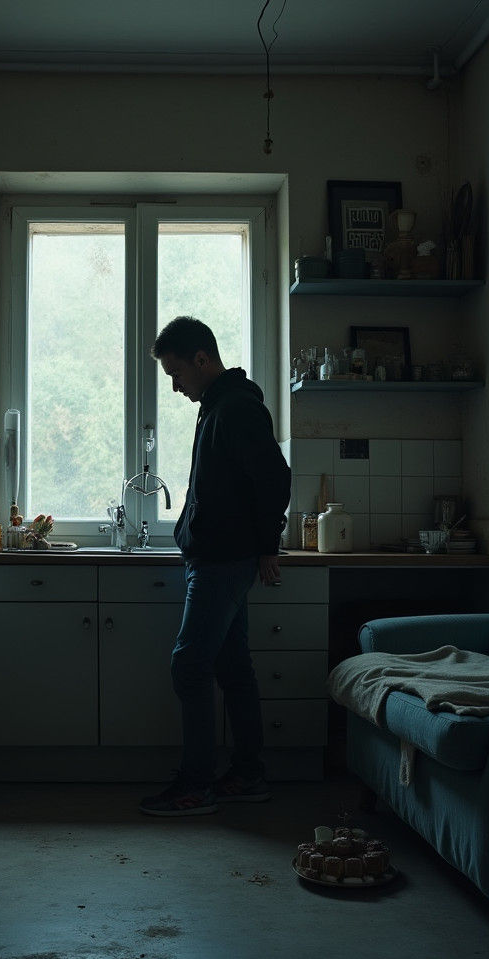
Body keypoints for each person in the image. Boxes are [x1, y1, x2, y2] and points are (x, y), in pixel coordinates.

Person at [140, 316, 291, 817]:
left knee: (189, 665)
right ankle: (248, 775)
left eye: (177, 372)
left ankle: (196, 785)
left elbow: (274, 479)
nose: (175, 385)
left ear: (202, 359)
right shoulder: (219, 405)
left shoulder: (236, 408)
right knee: (231, 666)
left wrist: (269, 544)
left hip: (224, 561)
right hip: (217, 557)